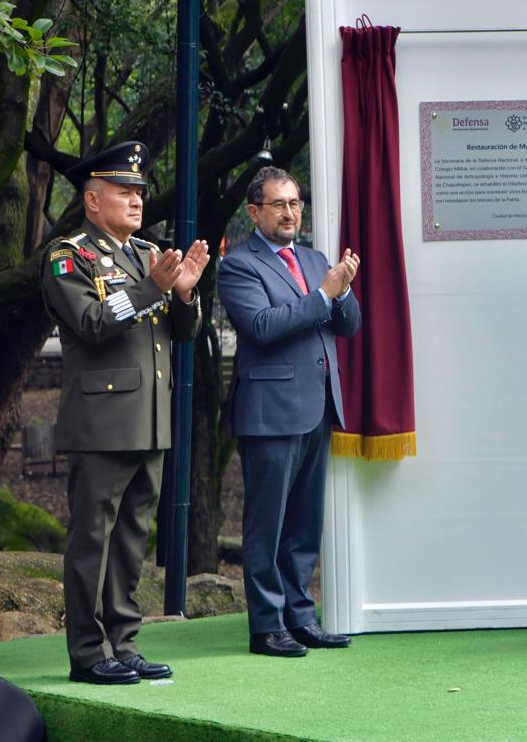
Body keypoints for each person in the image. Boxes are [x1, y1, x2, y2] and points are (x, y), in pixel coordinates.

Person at [40, 141, 209, 685]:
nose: (137, 200)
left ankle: (124, 643)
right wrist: (151, 289)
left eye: (139, 192)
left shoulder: (145, 254)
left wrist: (182, 296)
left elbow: (183, 335)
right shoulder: (70, 257)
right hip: (102, 422)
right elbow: (90, 323)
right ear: (93, 201)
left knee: (133, 537)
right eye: (124, 191)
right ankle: (89, 653)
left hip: (149, 419)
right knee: (93, 538)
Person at [217, 166, 361, 658]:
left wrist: (341, 292)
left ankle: (301, 617)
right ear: (254, 212)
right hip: (271, 411)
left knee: (304, 523)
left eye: (295, 203)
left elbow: (349, 324)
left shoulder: (315, 257)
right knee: (267, 525)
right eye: (278, 204)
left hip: (318, 405)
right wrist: (324, 293)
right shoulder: (239, 265)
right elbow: (261, 325)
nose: (289, 212)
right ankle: (266, 626)